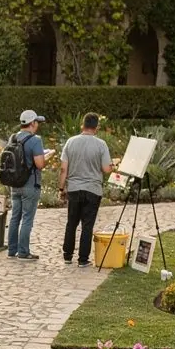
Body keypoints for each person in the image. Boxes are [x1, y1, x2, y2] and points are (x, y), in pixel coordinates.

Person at [59, 113, 113, 267]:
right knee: (87, 225)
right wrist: (112, 166)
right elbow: (106, 169)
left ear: (82, 124)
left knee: (71, 223)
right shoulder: (101, 144)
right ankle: (83, 259)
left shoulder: (70, 142)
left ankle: (67, 255)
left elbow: (64, 169)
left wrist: (61, 188)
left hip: (74, 189)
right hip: (93, 190)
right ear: (97, 127)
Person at [7, 109, 46, 262]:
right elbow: (40, 164)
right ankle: (23, 252)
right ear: (33, 123)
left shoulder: (13, 137)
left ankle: (12, 250)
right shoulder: (35, 140)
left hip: (14, 184)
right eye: (37, 122)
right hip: (30, 184)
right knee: (27, 218)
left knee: (15, 217)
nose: (38, 125)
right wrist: (46, 157)